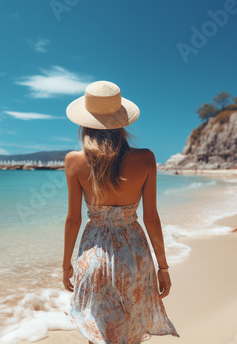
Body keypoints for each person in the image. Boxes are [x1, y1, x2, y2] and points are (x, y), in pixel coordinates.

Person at [62, 81, 178, 343]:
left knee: (98, 332)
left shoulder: (73, 161)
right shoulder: (146, 158)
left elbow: (73, 219)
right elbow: (151, 218)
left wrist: (65, 264)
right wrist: (163, 267)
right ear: (122, 121)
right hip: (133, 253)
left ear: (84, 122)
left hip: (93, 254)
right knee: (131, 330)